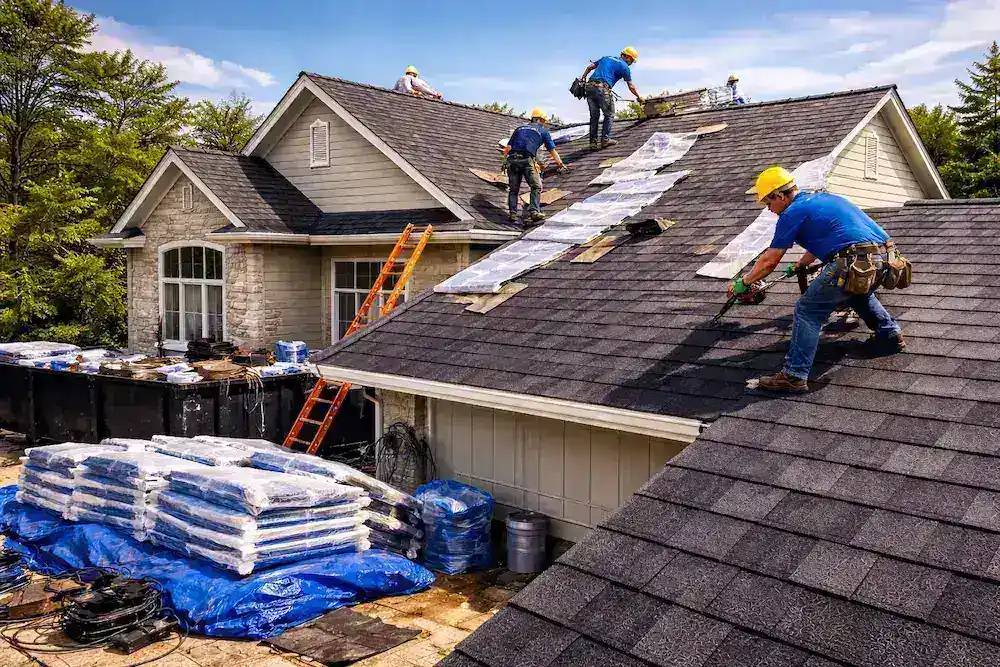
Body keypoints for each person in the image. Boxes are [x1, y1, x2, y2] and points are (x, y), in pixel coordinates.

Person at [731, 166, 905, 392]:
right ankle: (889, 335)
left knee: (807, 311)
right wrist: (801, 264)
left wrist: (744, 282)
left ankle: (794, 375)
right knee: (855, 293)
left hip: (850, 260)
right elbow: (832, 236)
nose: (770, 210)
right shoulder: (824, 200)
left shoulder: (792, 212)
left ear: (780, 195)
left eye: (768, 203)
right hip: (882, 259)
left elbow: (769, 261)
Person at [502, 108, 568, 224]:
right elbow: (552, 150)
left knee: (513, 190)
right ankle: (534, 211)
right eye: (543, 121)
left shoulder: (519, 129)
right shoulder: (543, 131)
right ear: (539, 120)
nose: (543, 124)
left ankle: (512, 213)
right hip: (526, 160)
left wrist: (504, 162)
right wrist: (561, 164)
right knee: (536, 186)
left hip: (512, 160)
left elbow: (507, 149)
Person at [579, 47, 644, 150]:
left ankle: (593, 143)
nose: (631, 63)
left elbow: (589, 67)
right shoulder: (624, 67)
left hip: (589, 87)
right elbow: (631, 86)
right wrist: (639, 97)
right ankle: (605, 140)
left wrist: (583, 78)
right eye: (631, 60)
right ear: (626, 56)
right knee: (609, 114)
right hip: (602, 89)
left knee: (594, 116)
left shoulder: (606, 58)